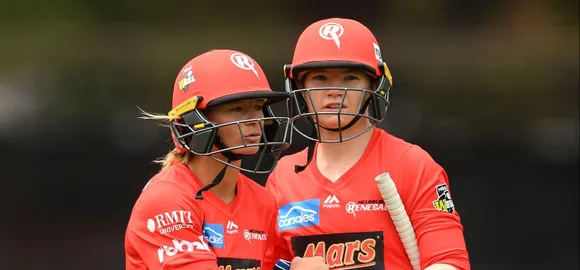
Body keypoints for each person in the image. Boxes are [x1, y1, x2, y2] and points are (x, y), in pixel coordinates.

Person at [265, 18, 471, 270]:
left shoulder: (412, 165)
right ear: (300, 88)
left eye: (350, 78)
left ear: (375, 87)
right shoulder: (283, 177)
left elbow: (450, 262)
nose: (334, 91)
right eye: (319, 78)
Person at [124, 49, 328, 270]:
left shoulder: (262, 202)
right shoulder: (166, 199)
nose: (255, 121)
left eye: (258, 107)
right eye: (237, 109)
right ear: (195, 121)